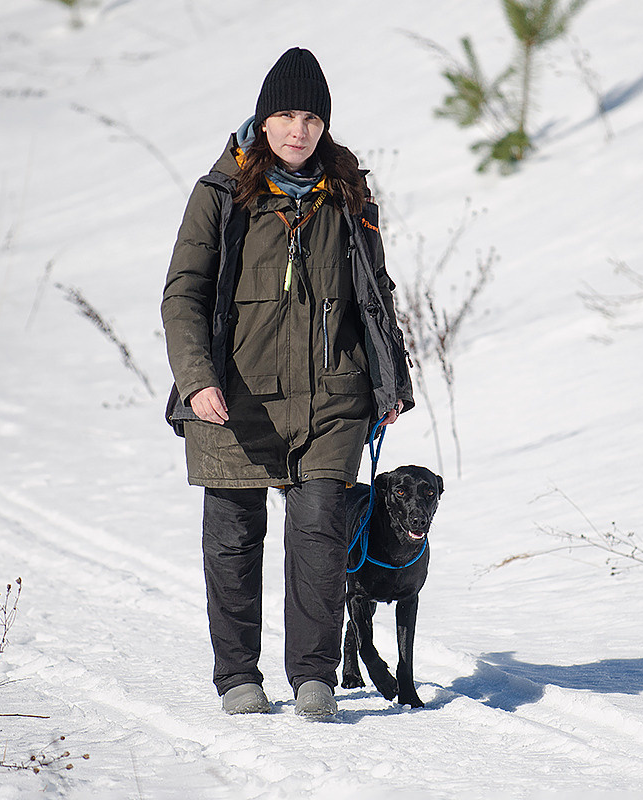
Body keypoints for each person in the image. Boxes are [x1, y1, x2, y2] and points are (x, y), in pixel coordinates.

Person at [161, 47, 414, 718]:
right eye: (286, 117)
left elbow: (375, 293)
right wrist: (196, 379)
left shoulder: (347, 194)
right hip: (233, 396)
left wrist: (390, 380)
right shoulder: (221, 194)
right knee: (234, 541)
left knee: (321, 535)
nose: (299, 131)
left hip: (333, 395)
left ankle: (313, 677)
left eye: (312, 118)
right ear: (263, 120)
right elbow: (183, 294)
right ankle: (238, 676)